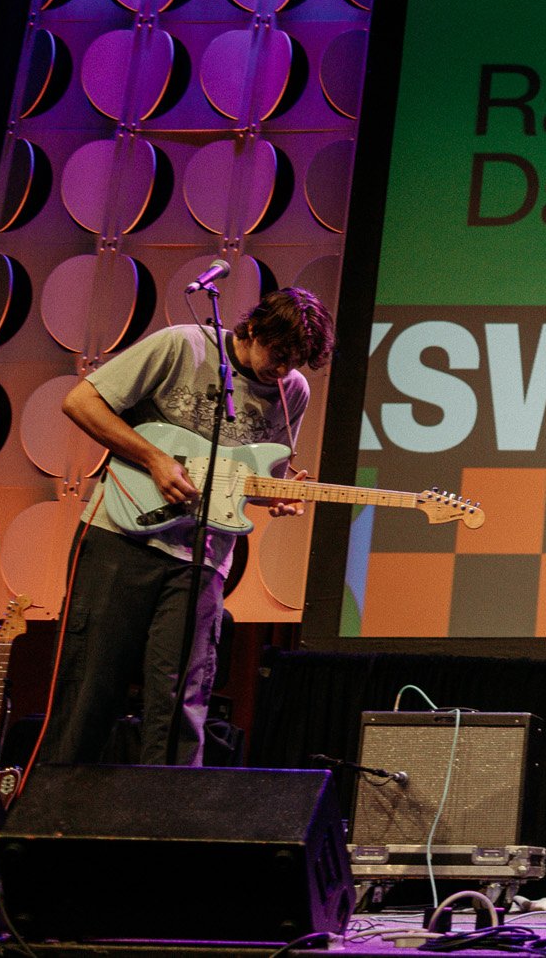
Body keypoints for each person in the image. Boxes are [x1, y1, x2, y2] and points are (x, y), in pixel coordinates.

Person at [44, 287, 334, 767]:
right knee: (90, 688)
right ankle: (53, 824)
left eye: (297, 362)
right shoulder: (183, 345)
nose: (283, 370)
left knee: (181, 702)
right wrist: (153, 458)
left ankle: (167, 830)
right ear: (255, 328)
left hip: (201, 558)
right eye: (279, 355)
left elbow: (252, 482)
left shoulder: (292, 391)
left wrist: (278, 496)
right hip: (119, 536)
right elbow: (81, 402)